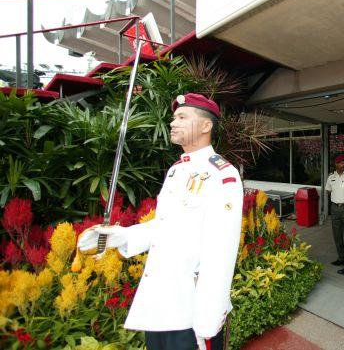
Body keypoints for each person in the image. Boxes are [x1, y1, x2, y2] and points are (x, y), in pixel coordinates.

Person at [78, 93, 243, 350]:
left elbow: (222, 250)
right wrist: (120, 237)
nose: (172, 123)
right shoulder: (177, 171)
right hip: (159, 304)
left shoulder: (222, 175)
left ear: (205, 126)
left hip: (191, 310)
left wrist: (208, 319)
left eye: (182, 117)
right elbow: (165, 227)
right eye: (173, 118)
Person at [325, 154, 344, 266]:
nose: (343, 165)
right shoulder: (331, 177)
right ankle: (341, 257)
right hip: (335, 208)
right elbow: (328, 191)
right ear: (336, 164)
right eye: (341, 163)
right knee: (337, 234)